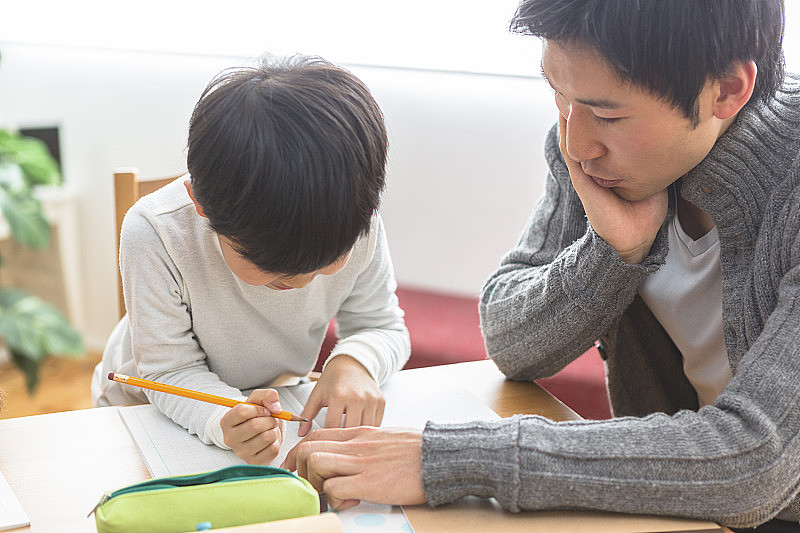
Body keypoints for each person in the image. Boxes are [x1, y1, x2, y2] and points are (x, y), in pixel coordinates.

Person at [283, 1, 800, 531]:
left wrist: (451, 459)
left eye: (608, 115)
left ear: (727, 91)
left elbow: (757, 459)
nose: (576, 143)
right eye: (558, 95)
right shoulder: (597, 153)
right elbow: (511, 342)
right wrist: (613, 254)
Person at [92, 55, 410, 465]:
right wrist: (223, 416)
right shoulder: (154, 232)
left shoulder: (356, 223)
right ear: (201, 206)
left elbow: (382, 326)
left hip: (269, 402)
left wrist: (355, 362)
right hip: (145, 409)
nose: (299, 283)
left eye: (325, 262)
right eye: (275, 269)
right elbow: (167, 372)